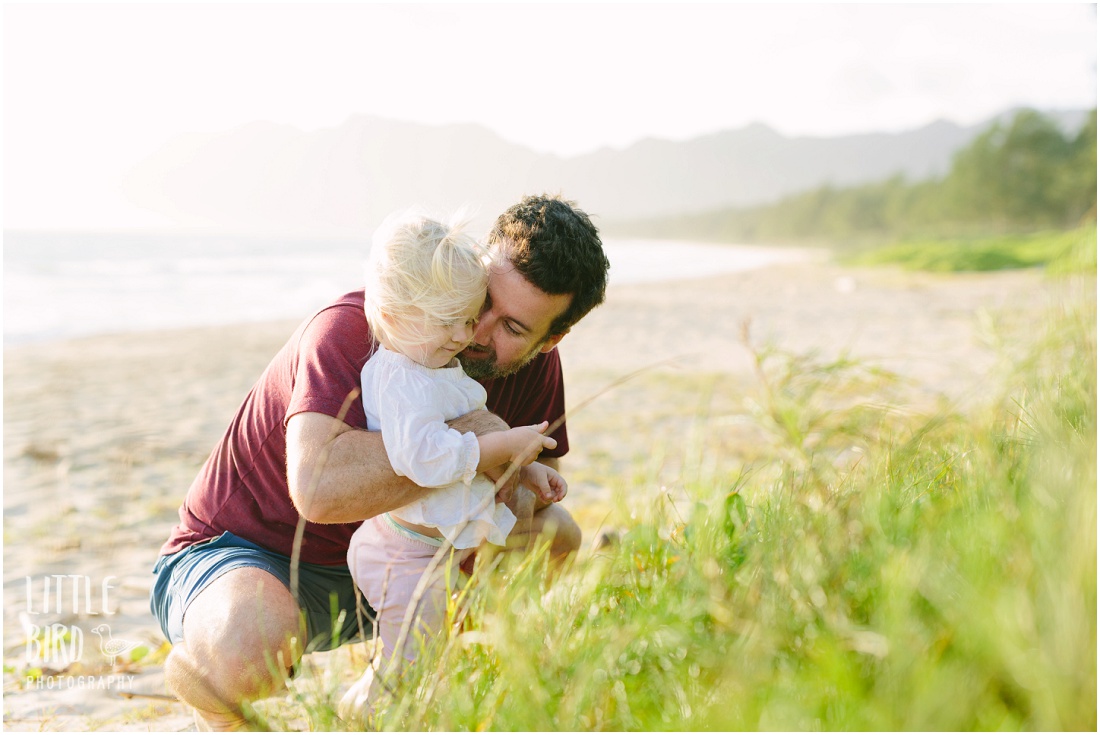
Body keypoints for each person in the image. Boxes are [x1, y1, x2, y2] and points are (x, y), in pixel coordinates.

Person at [148, 193, 610, 730]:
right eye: (484, 300)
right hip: (257, 555)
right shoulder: (362, 327)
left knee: (554, 536)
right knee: (248, 645)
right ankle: (210, 687)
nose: (475, 333)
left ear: (551, 338)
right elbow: (319, 490)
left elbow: (525, 500)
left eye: (513, 328)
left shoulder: (537, 370)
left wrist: (517, 478)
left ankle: (389, 682)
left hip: (407, 556)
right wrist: (475, 442)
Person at [344, 211, 568, 715]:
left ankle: (377, 702)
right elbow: (422, 458)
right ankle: (364, 714)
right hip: (399, 550)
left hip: (435, 548)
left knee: (425, 648)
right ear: (398, 316)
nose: (467, 334)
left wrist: (525, 468)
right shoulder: (401, 377)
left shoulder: (437, 364)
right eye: (453, 320)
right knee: (410, 658)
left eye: (468, 317)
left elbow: (478, 421)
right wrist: (500, 449)